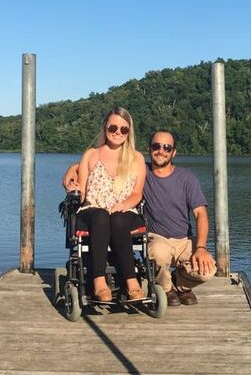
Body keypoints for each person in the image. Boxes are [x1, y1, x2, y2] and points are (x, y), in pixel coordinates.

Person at [65, 129, 216, 306]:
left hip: (184, 240)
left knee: (208, 269)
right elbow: (102, 163)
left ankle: (180, 285)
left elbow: (201, 214)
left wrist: (201, 247)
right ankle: (166, 289)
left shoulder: (187, 178)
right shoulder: (142, 170)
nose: (161, 151)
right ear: (150, 149)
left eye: (167, 148)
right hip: (158, 238)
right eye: (156, 146)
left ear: (174, 152)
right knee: (158, 253)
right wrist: (72, 169)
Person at [74, 107, 147, 303]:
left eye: (124, 129)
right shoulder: (91, 154)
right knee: (101, 216)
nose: (118, 132)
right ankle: (98, 280)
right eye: (113, 127)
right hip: (93, 210)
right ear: (105, 127)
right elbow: (81, 190)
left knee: (118, 219)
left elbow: (137, 193)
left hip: (124, 209)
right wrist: (70, 181)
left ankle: (131, 281)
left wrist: (123, 204)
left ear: (129, 132)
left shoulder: (136, 158)